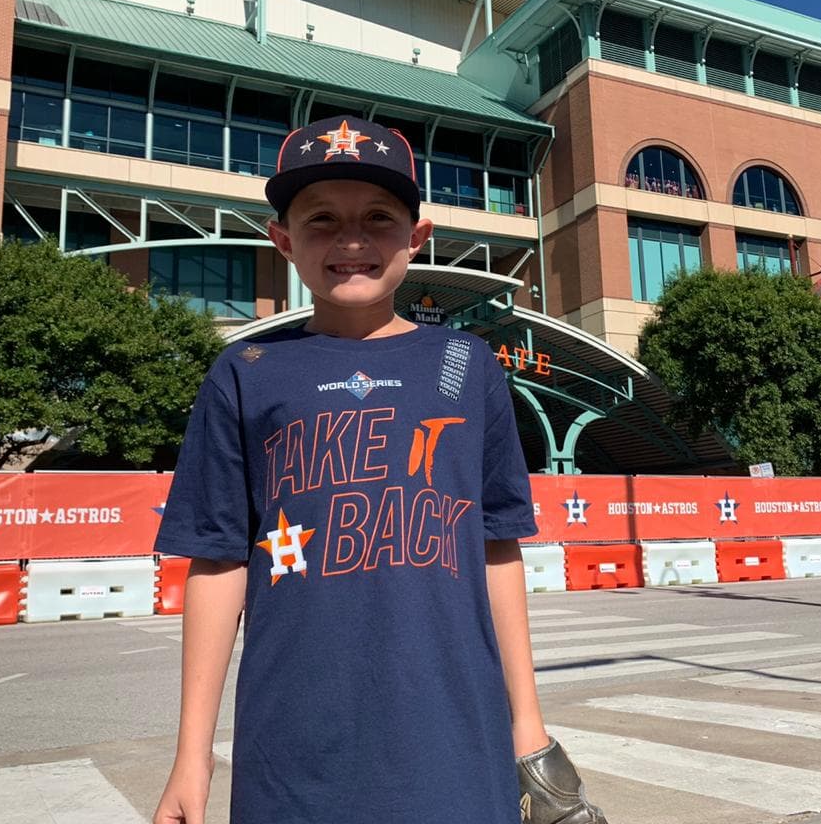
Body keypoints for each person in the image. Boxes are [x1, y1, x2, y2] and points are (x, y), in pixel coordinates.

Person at [150, 115, 607, 824]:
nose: (352, 241)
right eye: (322, 220)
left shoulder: (466, 367)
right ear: (283, 240)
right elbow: (216, 563)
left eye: (378, 218)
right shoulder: (245, 373)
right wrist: (192, 756)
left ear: (417, 238)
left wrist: (527, 726)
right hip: (291, 743)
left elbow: (496, 548)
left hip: (456, 731)